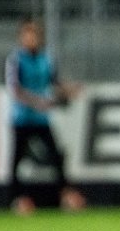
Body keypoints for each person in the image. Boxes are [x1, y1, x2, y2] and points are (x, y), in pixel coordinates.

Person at [5, 18, 86, 215]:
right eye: (27, 35)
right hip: (22, 118)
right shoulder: (16, 60)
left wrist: (69, 89)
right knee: (17, 160)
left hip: (41, 119)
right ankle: (19, 199)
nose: (30, 38)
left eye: (34, 35)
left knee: (56, 157)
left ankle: (66, 195)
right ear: (21, 38)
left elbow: (54, 82)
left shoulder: (46, 59)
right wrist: (37, 102)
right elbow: (15, 90)